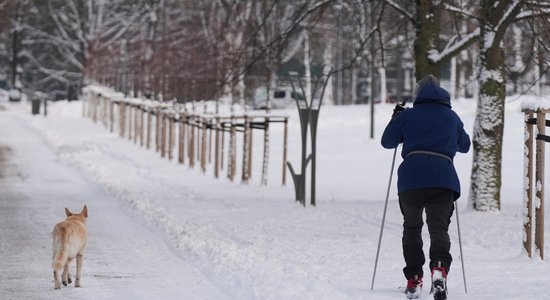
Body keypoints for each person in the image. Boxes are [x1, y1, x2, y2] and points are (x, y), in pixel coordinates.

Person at [380, 74, 471, 300]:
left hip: (411, 180)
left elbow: (387, 142)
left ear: (418, 94)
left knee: (412, 227)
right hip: (443, 179)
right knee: (438, 228)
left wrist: (396, 119)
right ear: (441, 93)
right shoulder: (451, 117)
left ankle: (414, 278)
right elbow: (465, 146)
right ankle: (439, 268)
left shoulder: (409, 115)